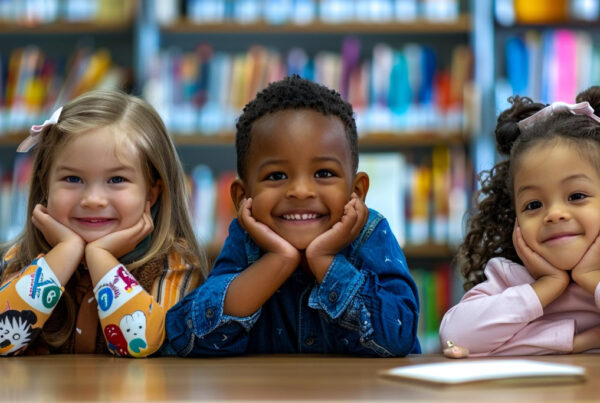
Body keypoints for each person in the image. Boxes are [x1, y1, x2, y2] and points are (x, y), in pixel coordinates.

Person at [165, 75, 420, 357]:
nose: (300, 191)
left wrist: (324, 260)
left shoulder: (371, 234)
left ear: (356, 192)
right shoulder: (246, 240)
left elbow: (398, 337)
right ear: (242, 197)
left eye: (324, 173)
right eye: (277, 176)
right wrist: (279, 260)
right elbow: (186, 337)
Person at [0, 90, 206, 357]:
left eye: (116, 180)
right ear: (44, 185)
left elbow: (144, 345)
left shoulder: (173, 264)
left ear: (152, 193)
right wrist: (66, 252)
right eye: (73, 179)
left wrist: (99, 257)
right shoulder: (23, 258)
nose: (93, 199)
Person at [439, 86, 600, 357]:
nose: (554, 214)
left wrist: (591, 278)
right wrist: (547, 287)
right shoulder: (510, 277)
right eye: (533, 205)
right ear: (515, 216)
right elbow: (455, 337)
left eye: (576, 195)